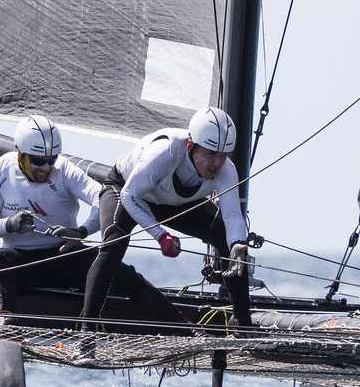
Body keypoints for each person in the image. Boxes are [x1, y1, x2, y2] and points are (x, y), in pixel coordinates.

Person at [0, 115, 185, 330]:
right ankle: (5, 325)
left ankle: (183, 325)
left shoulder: (64, 170)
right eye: (37, 161)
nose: (45, 168)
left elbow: (102, 198)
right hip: (24, 263)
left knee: (117, 269)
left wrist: (81, 231)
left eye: (51, 160)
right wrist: (8, 224)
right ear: (20, 153)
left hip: (63, 256)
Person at [80, 106, 255, 330]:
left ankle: (243, 322)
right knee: (114, 245)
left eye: (223, 155)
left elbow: (232, 215)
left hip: (170, 202)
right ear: (191, 146)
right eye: (211, 154)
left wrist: (238, 246)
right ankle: (86, 333)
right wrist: (161, 236)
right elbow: (129, 196)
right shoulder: (166, 152)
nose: (217, 163)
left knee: (228, 240)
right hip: (126, 190)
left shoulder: (226, 170)